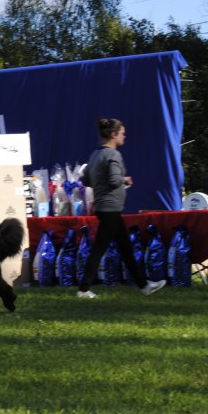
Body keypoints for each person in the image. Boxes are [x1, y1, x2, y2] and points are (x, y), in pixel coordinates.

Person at [77, 118, 166, 298]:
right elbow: (113, 179)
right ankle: (83, 289)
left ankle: (143, 285)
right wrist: (124, 180)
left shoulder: (95, 155)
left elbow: (85, 180)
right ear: (113, 134)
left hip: (103, 206)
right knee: (100, 249)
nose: (124, 136)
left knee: (125, 249)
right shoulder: (113, 155)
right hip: (111, 208)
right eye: (122, 133)